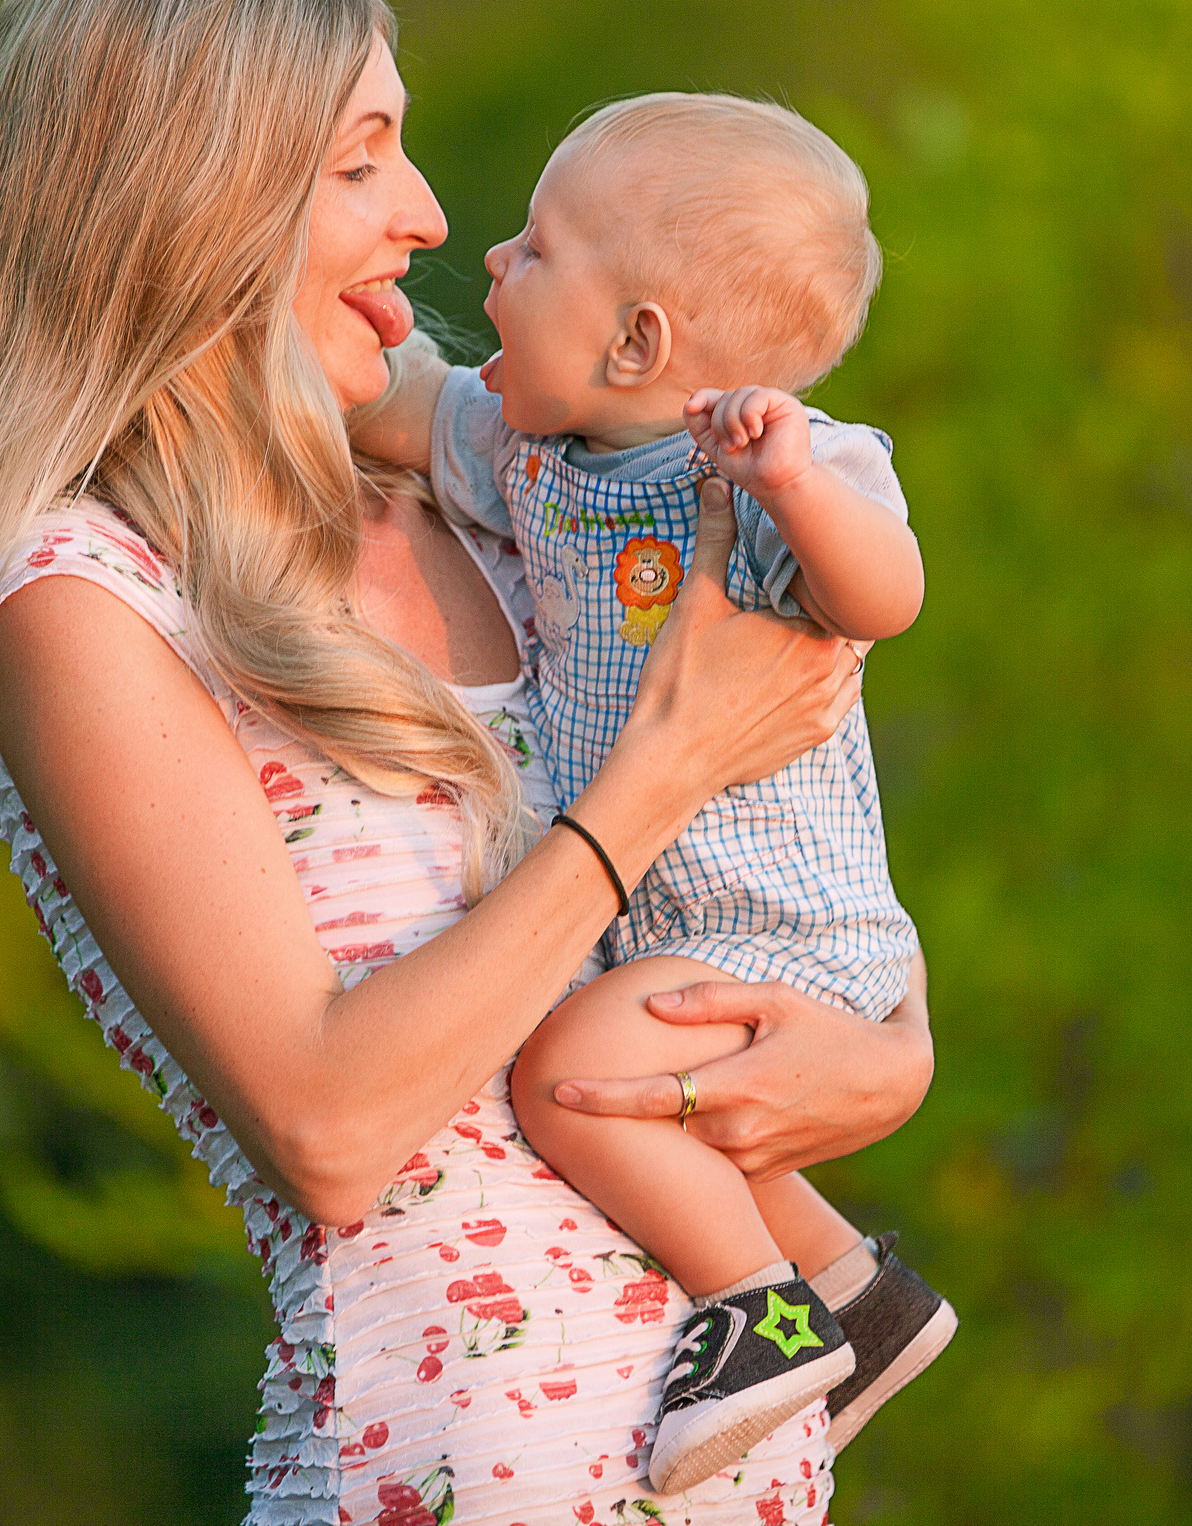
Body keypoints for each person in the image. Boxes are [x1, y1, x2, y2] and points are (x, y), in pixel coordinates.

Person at [0, 0, 933, 1526]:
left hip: (740, 1482)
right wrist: (666, 766)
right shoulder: (88, 602)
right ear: (198, 205)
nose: (427, 215)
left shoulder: (516, 503)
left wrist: (889, 1058)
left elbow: (793, 826)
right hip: (443, 1477)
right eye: (362, 163)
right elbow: (331, 1125)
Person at [351, 94, 954, 1493]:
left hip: (779, 927)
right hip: (661, 919)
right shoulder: (527, 451)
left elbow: (888, 597)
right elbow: (390, 404)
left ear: (637, 344)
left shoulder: (778, 468)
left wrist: (792, 487)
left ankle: (760, 1315)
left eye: (535, 249)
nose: (490, 259)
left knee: (572, 1080)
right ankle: (860, 1298)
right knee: (654, 1087)